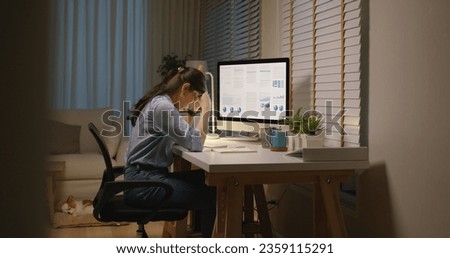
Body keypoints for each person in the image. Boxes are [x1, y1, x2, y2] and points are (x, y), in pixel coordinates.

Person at [124, 67, 216, 237]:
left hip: (144, 177)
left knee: (211, 182)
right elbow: (196, 143)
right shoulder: (163, 107)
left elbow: (186, 135)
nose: (193, 101)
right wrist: (206, 109)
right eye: (195, 96)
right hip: (144, 184)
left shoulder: (160, 102)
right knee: (210, 195)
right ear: (185, 88)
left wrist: (191, 110)